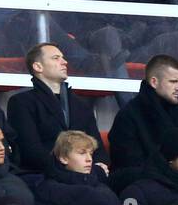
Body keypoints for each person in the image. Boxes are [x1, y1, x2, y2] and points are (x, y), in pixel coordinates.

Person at [7, 42, 107, 174]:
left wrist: (99, 166)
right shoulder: (21, 103)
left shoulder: (81, 104)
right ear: (38, 66)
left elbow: (97, 147)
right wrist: (68, 167)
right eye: (56, 58)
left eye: (63, 58)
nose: (64, 62)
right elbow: (30, 151)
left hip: (86, 175)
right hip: (44, 176)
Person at [106, 54, 178, 188]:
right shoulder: (127, 116)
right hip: (144, 191)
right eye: (173, 81)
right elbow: (128, 168)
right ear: (154, 82)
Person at [33, 130, 124, 205]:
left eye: (90, 154)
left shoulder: (102, 186)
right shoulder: (48, 191)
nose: (89, 159)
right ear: (63, 158)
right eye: (82, 153)